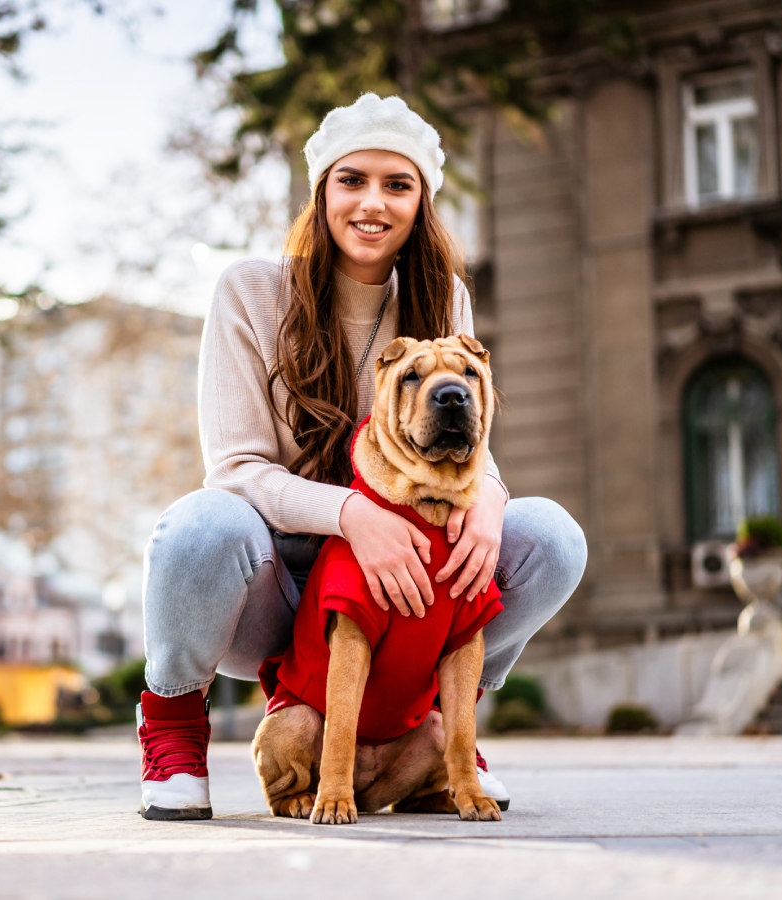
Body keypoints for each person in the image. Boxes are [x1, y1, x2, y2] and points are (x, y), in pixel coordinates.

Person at [137, 94, 587, 821]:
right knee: (201, 524)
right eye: (352, 180)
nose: (372, 202)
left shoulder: (443, 299)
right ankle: (172, 728)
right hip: (277, 583)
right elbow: (239, 469)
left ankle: (437, 727)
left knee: (551, 537)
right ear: (322, 193)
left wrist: (491, 500)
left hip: (408, 579)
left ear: (421, 203)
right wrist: (352, 515)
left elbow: (472, 439)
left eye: (397, 184)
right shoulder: (250, 292)